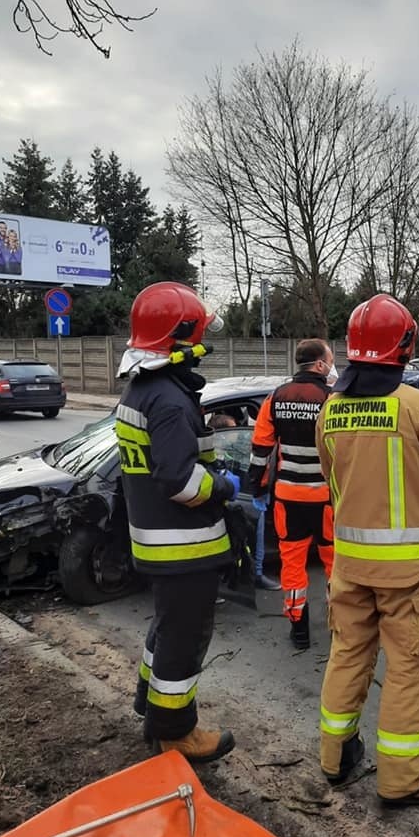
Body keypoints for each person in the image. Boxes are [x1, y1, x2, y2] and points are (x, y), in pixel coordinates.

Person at [316, 294, 419, 808]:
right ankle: (403, 781)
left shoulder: (330, 409)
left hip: (350, 564)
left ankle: (335, 759)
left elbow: (332, 478)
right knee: (408, 667)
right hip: (409, 577)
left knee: (347, 655)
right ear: (404, 346)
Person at [115, 281, 240, 763]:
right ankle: (175, 733)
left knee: (166, 629)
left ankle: (151, 707)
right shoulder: (167, 399)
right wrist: (225, 486)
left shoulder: (141, 389)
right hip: (183, 546)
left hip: (157, 542)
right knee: (185, 639)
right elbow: (180, 482)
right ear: (183, 336)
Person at [249, 338, 336, 649]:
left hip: (288, 497)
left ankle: (299, 630)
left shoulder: (276, 398)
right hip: (326, 498)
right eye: (330, 358)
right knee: (333, 562)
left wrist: (256, 485)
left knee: (292, 564)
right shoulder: (331, 398)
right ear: (320, 364)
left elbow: (260, 448)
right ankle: (339, 626)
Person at [208, 409, 281, 592]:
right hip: (229, 498)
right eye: (233, 431)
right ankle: (255, 574)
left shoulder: (229, 453)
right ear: (222, 435)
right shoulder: (217, 454)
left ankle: (252, 573)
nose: (238, 435)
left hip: (240, 494)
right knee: (256, 520)